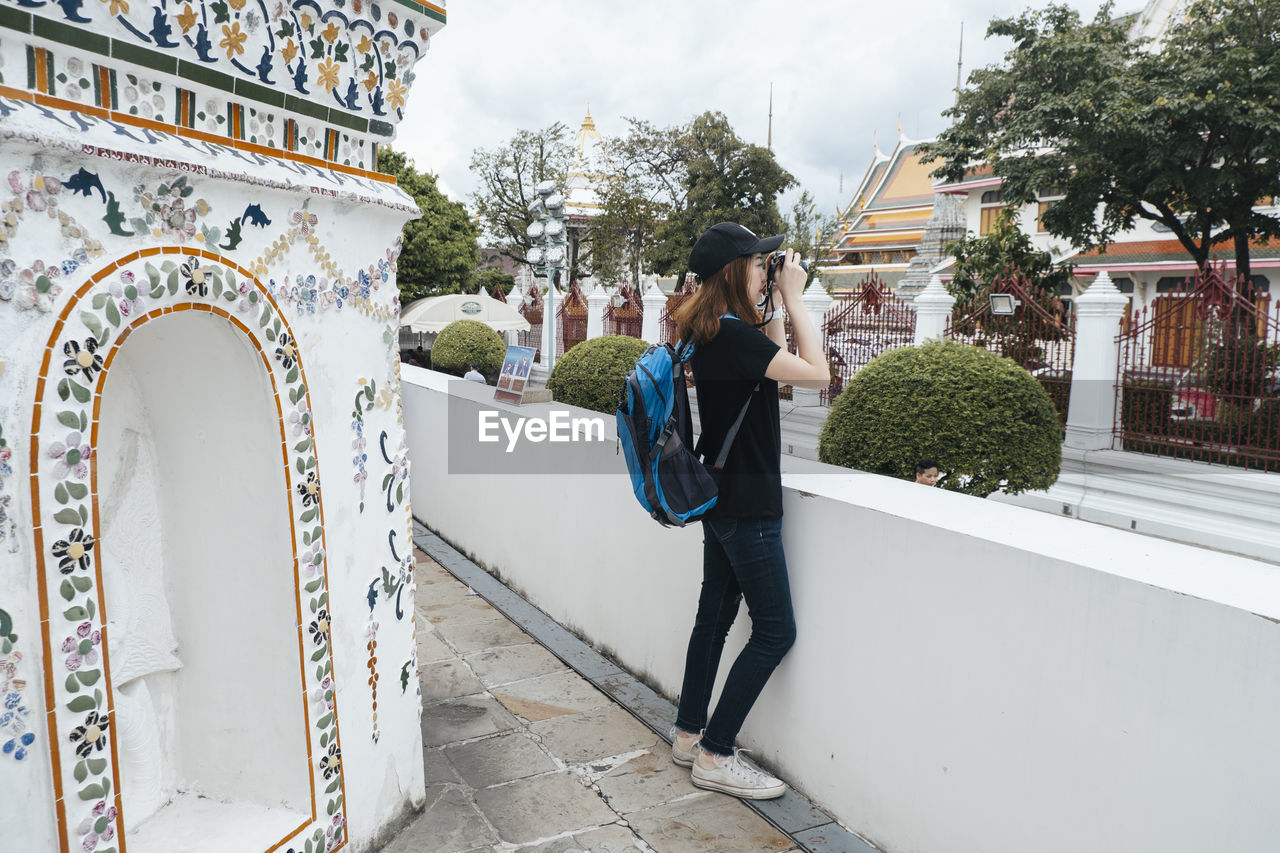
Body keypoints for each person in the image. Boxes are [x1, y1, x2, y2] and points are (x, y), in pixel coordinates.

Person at [668, 222, 829, 800]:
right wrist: (795, 296)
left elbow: (778, 364)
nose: (767, 270)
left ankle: (689, 733)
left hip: (722, 495)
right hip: (749, 504)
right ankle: (714, 752)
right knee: (775, 630)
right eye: (759, 264)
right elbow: (816, 374)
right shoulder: (732, 337)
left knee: (713, 617)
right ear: (736, 270)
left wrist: (775, 305)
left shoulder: (718, 332)